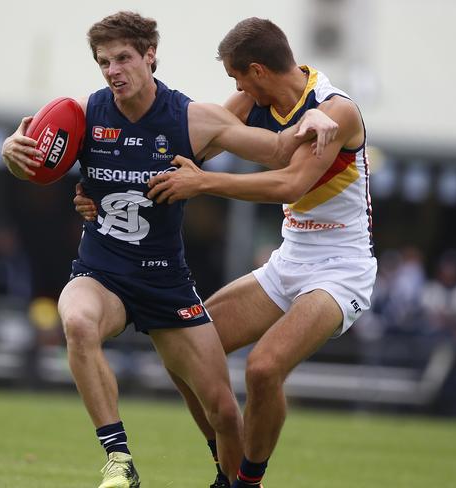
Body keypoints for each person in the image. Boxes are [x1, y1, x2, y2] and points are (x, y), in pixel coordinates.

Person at [2, 11, 338, 488]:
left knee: (222, 410)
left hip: (165, 282)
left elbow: (279, 149)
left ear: (150, 55)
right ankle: (119, 461)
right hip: (103, 272)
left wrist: (315, 115)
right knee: (76, 321)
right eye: (103, 62)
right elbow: (33, 163)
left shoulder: (191, 118)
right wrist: (12, 154)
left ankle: (232, 482)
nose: (113, 70)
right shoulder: (82, 115)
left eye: (122, 58)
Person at [77, 16, 376, 488]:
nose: (235, 88)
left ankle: (246, 482)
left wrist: (203, 185)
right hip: (289, 260)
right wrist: (104, 191)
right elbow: (188, 146)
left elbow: (290, 181)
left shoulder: (335, 111)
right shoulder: (255, 99)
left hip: (341, 269)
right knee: (187, 348)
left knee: (262, 368)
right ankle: (224, 465)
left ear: (257, 71)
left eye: (237, 77)